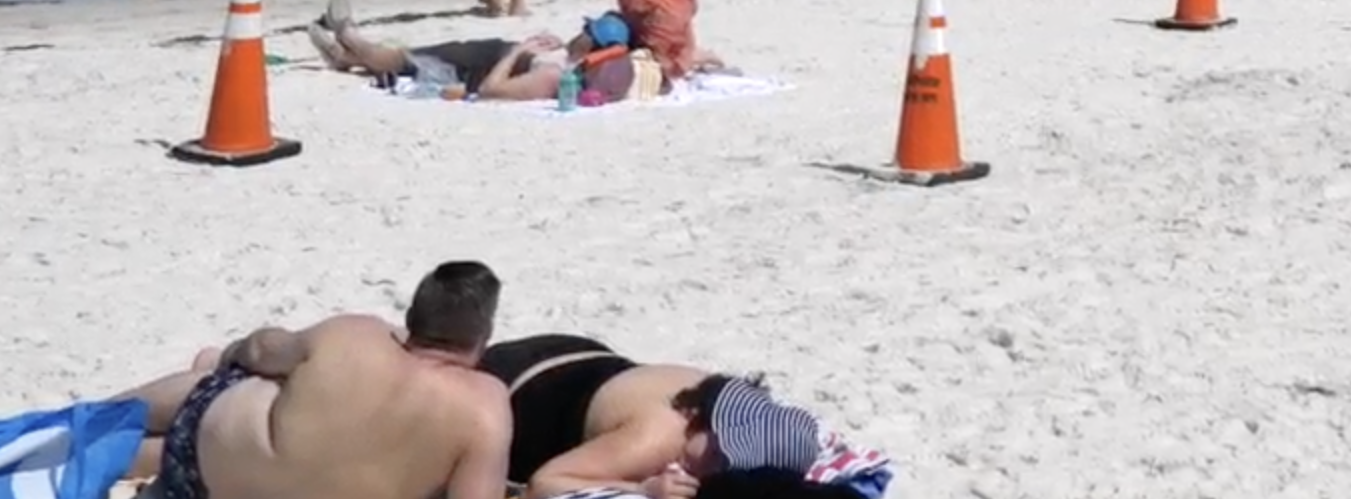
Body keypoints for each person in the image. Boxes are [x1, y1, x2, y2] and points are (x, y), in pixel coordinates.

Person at [110, 261, 515, 499]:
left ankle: (103, 416)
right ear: (483, 336)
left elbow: (262, 351)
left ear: (410, 320)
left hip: (196, 467)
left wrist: (234, 353)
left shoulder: (356, 333)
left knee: (227, 378)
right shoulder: (485, 408)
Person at [475, 337, 831, 497]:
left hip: (573, 354)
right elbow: (545, 485)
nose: (714, 469)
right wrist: (642, 490)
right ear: (710, 422)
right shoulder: (660, 437)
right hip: (516, 388)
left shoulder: (714, 393)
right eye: (719, 453)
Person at [305, 0, 639, 104]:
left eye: (585, 31)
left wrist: (517, 51)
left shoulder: (553, 77)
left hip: (475, 68)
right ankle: (344, 57)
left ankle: (349, 38)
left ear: (592, 43)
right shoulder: (574, 59)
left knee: (399, 59)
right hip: (485, 53)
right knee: (407, 57)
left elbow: (494, 89)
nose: (578, 32)